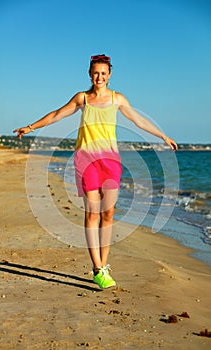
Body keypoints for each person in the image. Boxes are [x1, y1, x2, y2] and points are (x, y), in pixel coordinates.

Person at [14, 54, 178, 289]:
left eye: (103, 73)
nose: (99, 77)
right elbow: (56, 114)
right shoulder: (82, 98)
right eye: (95, 73)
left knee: (108, 215)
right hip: (86, 160)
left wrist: (162, 136)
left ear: (109, 75)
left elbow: (139, 121)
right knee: (92, 214)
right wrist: (30, 127)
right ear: (89, 74)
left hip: (110, 162)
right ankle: (98, 269)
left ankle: (104, 264)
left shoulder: (117, 99)